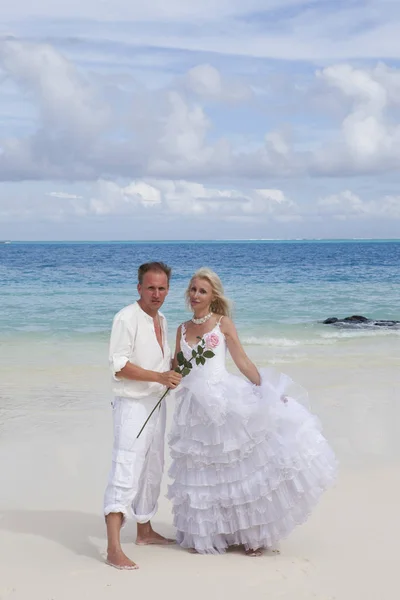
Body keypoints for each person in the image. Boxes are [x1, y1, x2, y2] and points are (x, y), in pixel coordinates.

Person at [168, 267, 337, 556]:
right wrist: (165, 377)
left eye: (203, 291)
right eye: (193, 289)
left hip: (225, 400)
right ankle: (212, 532)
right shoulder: (181, 329)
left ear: (213, 296)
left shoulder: (223, 324)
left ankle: (253, 536)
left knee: (239, 468)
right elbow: (177, 367)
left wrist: (267, 390)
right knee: (206, 471)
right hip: (194, 408)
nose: (196, 295)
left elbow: (242, 361)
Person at [104, 261, 182, 570]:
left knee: (152, 467)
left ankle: (145, 530)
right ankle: (113, 548)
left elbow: (161, 361)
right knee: (125, 469)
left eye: (162, 288)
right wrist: (159, 377)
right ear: (139, 288)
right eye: (151, 287)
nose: (157, 293)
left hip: (156, 405)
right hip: (132, 406)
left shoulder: (162, 319)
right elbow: (120, 366)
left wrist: (178, 366)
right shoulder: (126, 318)